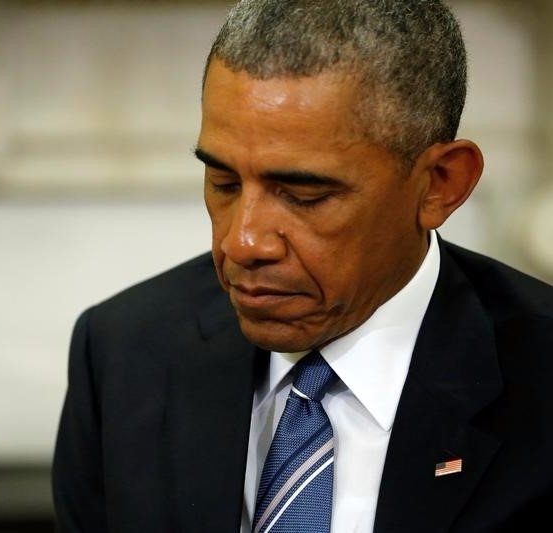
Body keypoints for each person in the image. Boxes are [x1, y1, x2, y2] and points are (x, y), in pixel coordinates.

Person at [52, 0, 553, 531]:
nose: (243, 242)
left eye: (304, 194)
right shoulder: (123, 352)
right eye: (223, 183)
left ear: (440, 184)